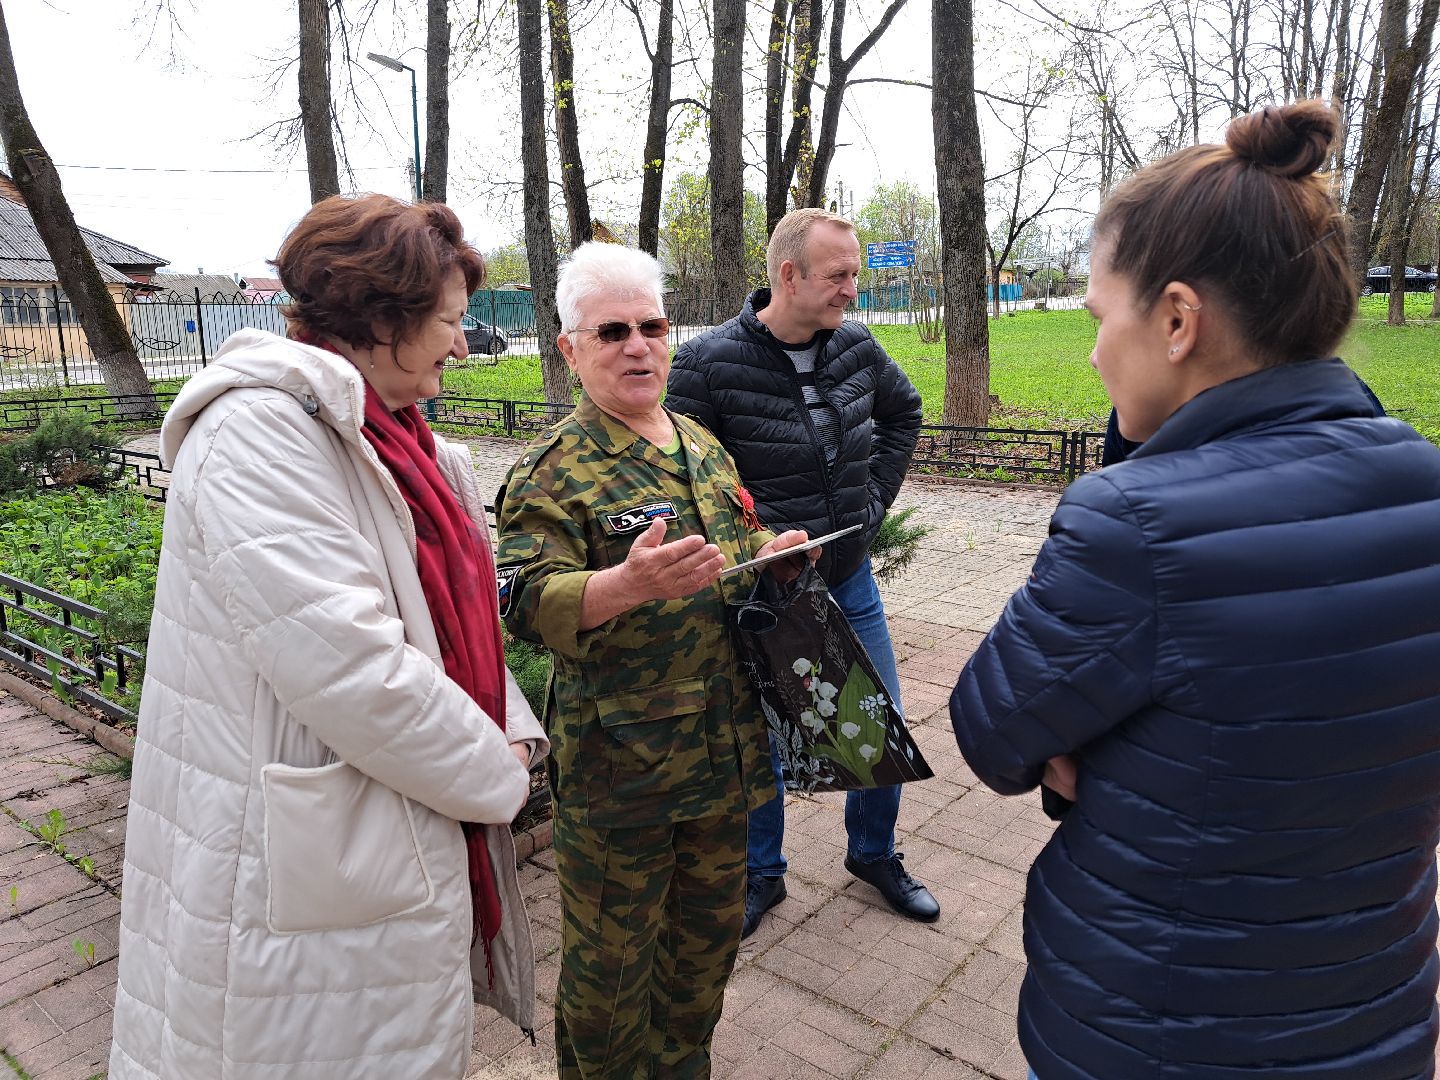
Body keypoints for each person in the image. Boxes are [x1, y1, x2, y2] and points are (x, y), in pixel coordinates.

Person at [949, 101, 1440, 1079]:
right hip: (1374, 1014)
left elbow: (991, 729)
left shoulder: (1134, 527)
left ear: (1176, 319)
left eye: (1100, 317)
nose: (1093, 352)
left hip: (1163, 1028)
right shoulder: (1424, 482)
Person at [108, 194, 548, 1080]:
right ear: (381, 316)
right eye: (450, 323)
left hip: (388, 815)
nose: (463, 347)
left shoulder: (411, 445)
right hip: (295, 851)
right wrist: (499, 773)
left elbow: (453, 631)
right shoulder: (258, 433)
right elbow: (350, 666)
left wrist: (510, 723)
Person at [494, 242, 813, 1078]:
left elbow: (728, 550)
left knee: (701, 960)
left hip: (724, 755)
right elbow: (522, 601)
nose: (639, 345)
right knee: (611, 978)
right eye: (612, 331)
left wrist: (769, 556)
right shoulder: (550, 471)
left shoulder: (701, 444)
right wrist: (620, 587)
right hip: (623, 776)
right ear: (570, 350)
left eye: (653, 325)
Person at [667, 207, 939, 938]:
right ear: (789, 276)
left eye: (855, 273)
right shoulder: (707, 364)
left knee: (874, 720)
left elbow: (905, 412)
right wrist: (752, 542)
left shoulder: (855, 345)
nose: (854, 289)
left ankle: (872, 855)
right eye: (839, 275)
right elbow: (680, 479)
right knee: (760, 738)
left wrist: (872, 503)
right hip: (761, 594)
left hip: (848, 581)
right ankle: (762, 874)